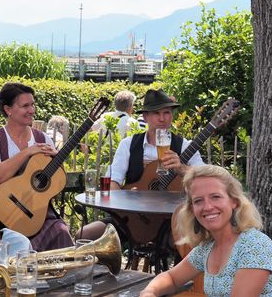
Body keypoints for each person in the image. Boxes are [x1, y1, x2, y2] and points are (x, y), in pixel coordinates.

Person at [76, 89, 206, 240]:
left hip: (171, 220)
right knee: (84, 235)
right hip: (132, 218)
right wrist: (126, 202)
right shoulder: (128, 144)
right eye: (157, 113)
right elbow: (113, 181)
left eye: (167, 113)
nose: (163, 119)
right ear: (145, 116)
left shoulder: (184, 146)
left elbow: (205, 177)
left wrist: (182, 168)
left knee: (189, 240)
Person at [139, 165, 272, 297]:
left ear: (234, 202)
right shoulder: (207, 248)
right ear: (192, 209)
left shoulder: (255, 246)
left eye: (216, 197)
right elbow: (171, 277)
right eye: (198, 201)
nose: (207, 207)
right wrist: (149, 292)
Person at [0, 82, 74, 251]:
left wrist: (56, 168)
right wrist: (27, 152)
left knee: (61, 232)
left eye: (32, 104)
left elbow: (55, 182)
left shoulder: (43, 138)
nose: (31, 110)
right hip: (5, 213)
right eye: (25, 106)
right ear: (8, 110)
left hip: (37, 214)